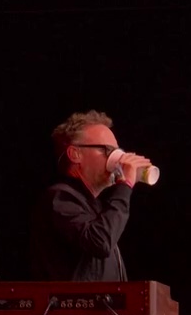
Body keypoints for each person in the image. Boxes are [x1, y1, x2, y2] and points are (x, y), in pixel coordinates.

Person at [28, 110, 153, 282]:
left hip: (103, 309)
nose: (118, 159)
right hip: (75, 309)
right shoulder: (60, 197)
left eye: (118, 151)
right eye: (108, 150)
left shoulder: (96, 207)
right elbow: (100, 241)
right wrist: (125, 185)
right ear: (75, 154)